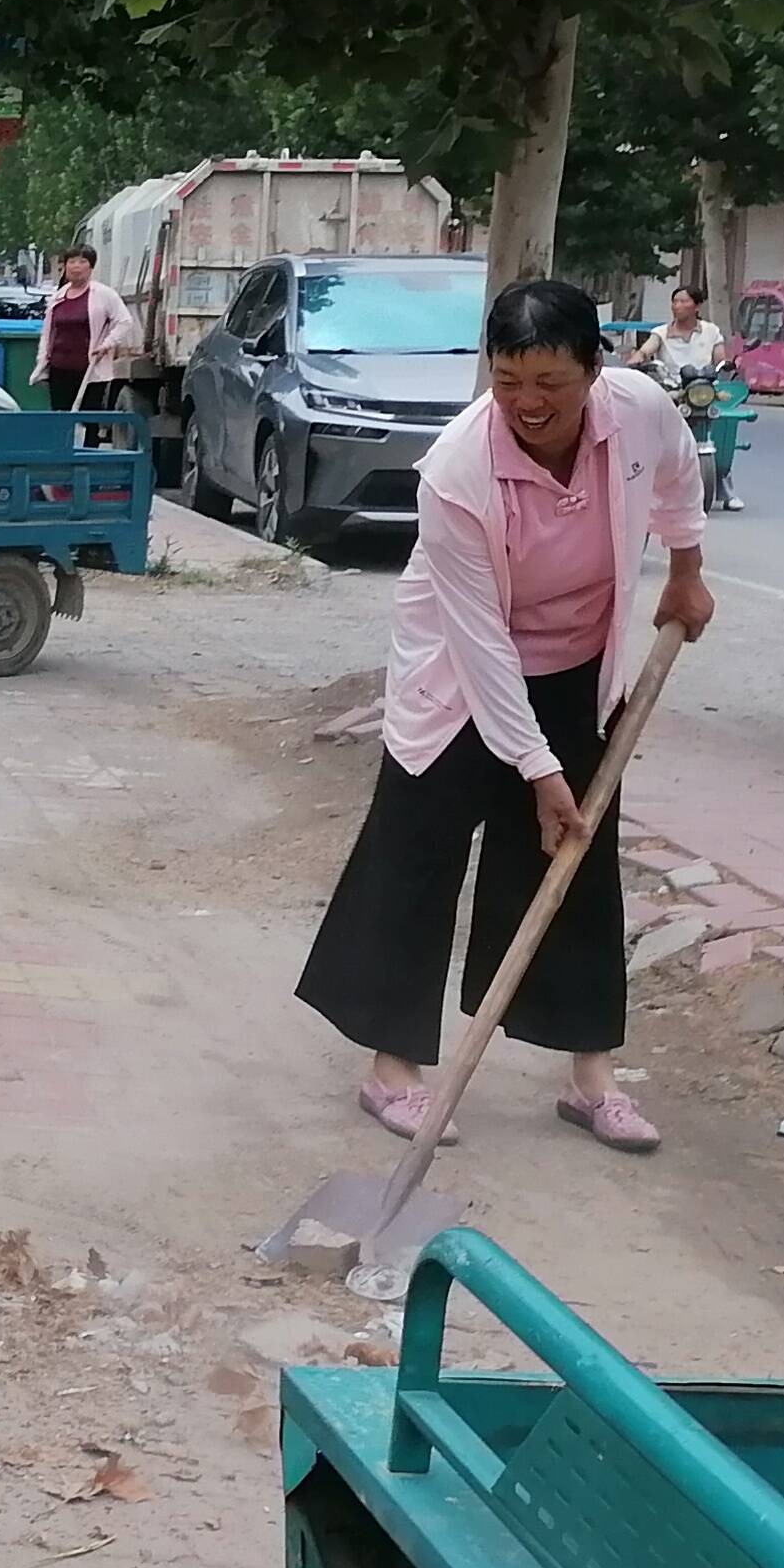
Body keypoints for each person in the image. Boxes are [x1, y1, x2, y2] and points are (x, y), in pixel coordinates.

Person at [296, 279, 717, 1156]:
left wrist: (686, 568)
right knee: (417, 854)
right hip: (460, 670)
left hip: (575, 660)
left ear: (594, 372)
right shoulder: (456, 472)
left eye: (551, 384)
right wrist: (537, 769)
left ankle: (592, 1078)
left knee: (577, 860)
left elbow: (680, 472)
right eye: (510, 379)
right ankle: (393, 1070)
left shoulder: (636, 411)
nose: (528, 403)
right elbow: (482, 646)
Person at [641, 283, 741, 508]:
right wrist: (639, 357)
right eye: (675, 302)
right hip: (671, 388)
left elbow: (720, 358)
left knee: (724, 425)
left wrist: (724, 365)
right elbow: (647, 349)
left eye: (684, 301)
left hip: (703, 388)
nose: (678, 306)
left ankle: (724, 486)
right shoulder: (661, 332)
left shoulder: (711, 331)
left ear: (697, 306)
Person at [40, 241, 143, 415]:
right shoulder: (58, 297)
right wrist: (42, 361)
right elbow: (48, 332)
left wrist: (107, 344)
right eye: (71, 262)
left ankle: (89, 444)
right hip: (59, 369)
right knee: (60, 417)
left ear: (91, 267)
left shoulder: (104, 294)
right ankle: (63, 444)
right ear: (65, 266)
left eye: (82, 262)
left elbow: (125, 321)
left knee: (90, 417)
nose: (76, 267)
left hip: (90, 369)